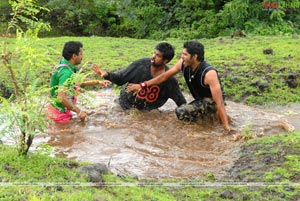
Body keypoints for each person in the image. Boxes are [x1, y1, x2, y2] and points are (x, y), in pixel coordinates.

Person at [126, 41, 231, 131]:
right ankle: (205, 124)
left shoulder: (209, 74)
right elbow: (164, 76)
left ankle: (207, 125)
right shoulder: (183, 63)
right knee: (186, 110)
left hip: (212, 102)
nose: (182, 56)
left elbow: (219, 102)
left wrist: (226, 127)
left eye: (185, 54)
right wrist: (143, 85)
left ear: (194, 57)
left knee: (182, 111)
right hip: (200, 100)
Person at [92, 42, 187, 111]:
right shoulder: (140, 65)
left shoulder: (170, 81)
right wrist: (107, 75)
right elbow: (120, 78)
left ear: (165, 61)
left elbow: (181, 103)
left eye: (158, 55)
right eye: (154, 53)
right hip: (124, 105)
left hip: (148, 113)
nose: (153, 56)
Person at [47, 41, 111, 123]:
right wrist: (78, 111)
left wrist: (98, 82)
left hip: (56, 110)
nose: (82, 56)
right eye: (81, 54)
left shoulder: (64, 63)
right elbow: (61, 98)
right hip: (59, 114)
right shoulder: (66, 73)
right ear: (74, 56)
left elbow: (79, 81)